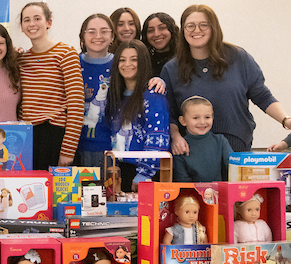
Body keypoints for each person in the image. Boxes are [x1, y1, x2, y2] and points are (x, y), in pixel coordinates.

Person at [161, 5, 291, 154]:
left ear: (214, 28)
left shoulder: (238, 57)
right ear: (183, 31)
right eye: (190, 26)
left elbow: (262, 96)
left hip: (236, 147)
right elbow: (170, 113)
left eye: (203, 25)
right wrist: (175, 137)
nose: (196, 30)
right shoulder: (171, 69)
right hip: (192, 153)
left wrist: (287, 121)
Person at [16, 2, 83, 169]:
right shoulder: (21, 59)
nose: (32, 24)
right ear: (22, 27)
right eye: (26, 20)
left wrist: (68, 150)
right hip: (27, 135)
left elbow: (76, 104)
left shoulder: (66, 53)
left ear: (49, 23)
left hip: (54, 133)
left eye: (37, 18)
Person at [107, 40, 171, 190]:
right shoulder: (116, 96)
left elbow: (158, 136)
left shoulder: (153, 95)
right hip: (118, 171)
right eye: (122, 60)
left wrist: (144, 173)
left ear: (143, 62)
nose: (127, 64)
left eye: (134, 59)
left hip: (143, 174)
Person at [78, 13, 115, 170]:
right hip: (76, 148)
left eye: (104, 31)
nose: (98, 36)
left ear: (112, 36)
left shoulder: (121, 63)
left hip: (111, 148)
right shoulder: (72, 63)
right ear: (82, 36)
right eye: (91, 31)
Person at [172, 96, 231, 182]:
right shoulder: (180, 146)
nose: (202, 122)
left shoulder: (220, 141)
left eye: (207, 117)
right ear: (183, 121)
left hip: (217, 192)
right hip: (191, 193)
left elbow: (233, 165)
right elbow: (182, 178)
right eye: (196, 118)